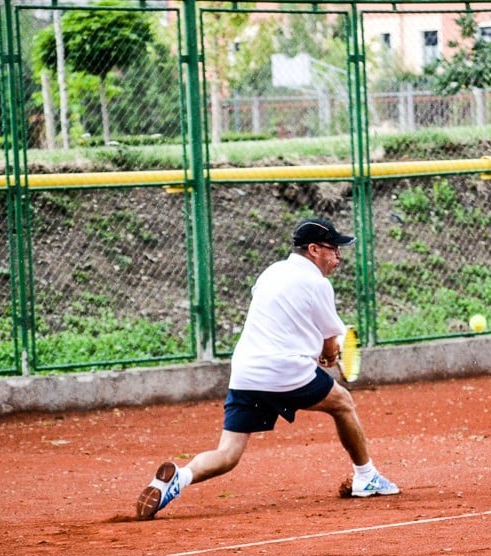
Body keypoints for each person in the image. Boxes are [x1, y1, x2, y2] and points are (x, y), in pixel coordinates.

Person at [136, 217, 399, 520]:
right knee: (343, 403)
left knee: (228, 453)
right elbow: (329, 343)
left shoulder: (272, 272)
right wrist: (327, 356)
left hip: (246, 371)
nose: (338, 256)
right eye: (333, 249)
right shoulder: (318, 284)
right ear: (313, 249)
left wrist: (312, 351)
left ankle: (177, 479)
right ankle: (366, 477)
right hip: (285, 371)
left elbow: (283, 320)